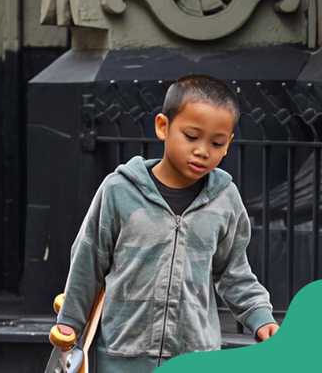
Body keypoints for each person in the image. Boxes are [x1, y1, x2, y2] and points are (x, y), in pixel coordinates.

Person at [51, 74, 279, 372]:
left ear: (228, 145)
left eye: (216, 142)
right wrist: (70, 321)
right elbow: (89, 259)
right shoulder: (120, 190)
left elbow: (233, 272)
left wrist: (260, 316)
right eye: (191, 136)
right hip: (123, 354)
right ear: (163, 126)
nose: (202, 150)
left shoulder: (225, 200)